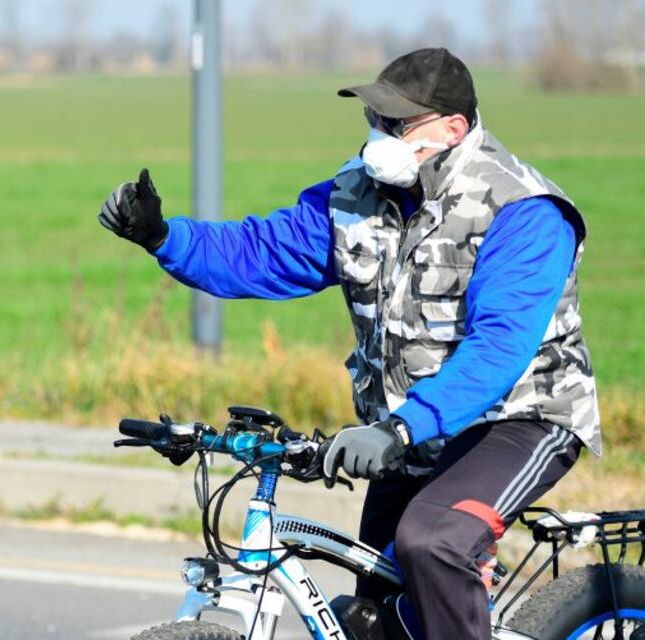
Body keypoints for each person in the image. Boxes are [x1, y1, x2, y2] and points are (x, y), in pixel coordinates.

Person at [98, 48, 600, 640]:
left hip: (518, 420)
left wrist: (400, 430)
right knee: (376, 614)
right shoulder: (356, 195)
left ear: (453, 128)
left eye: (396, 123)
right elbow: (263, 251)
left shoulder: (523, 211)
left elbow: (498, 351)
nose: (378, 134)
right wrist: (162, 235)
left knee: (432, 543)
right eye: (374, 118)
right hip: (410, 430)